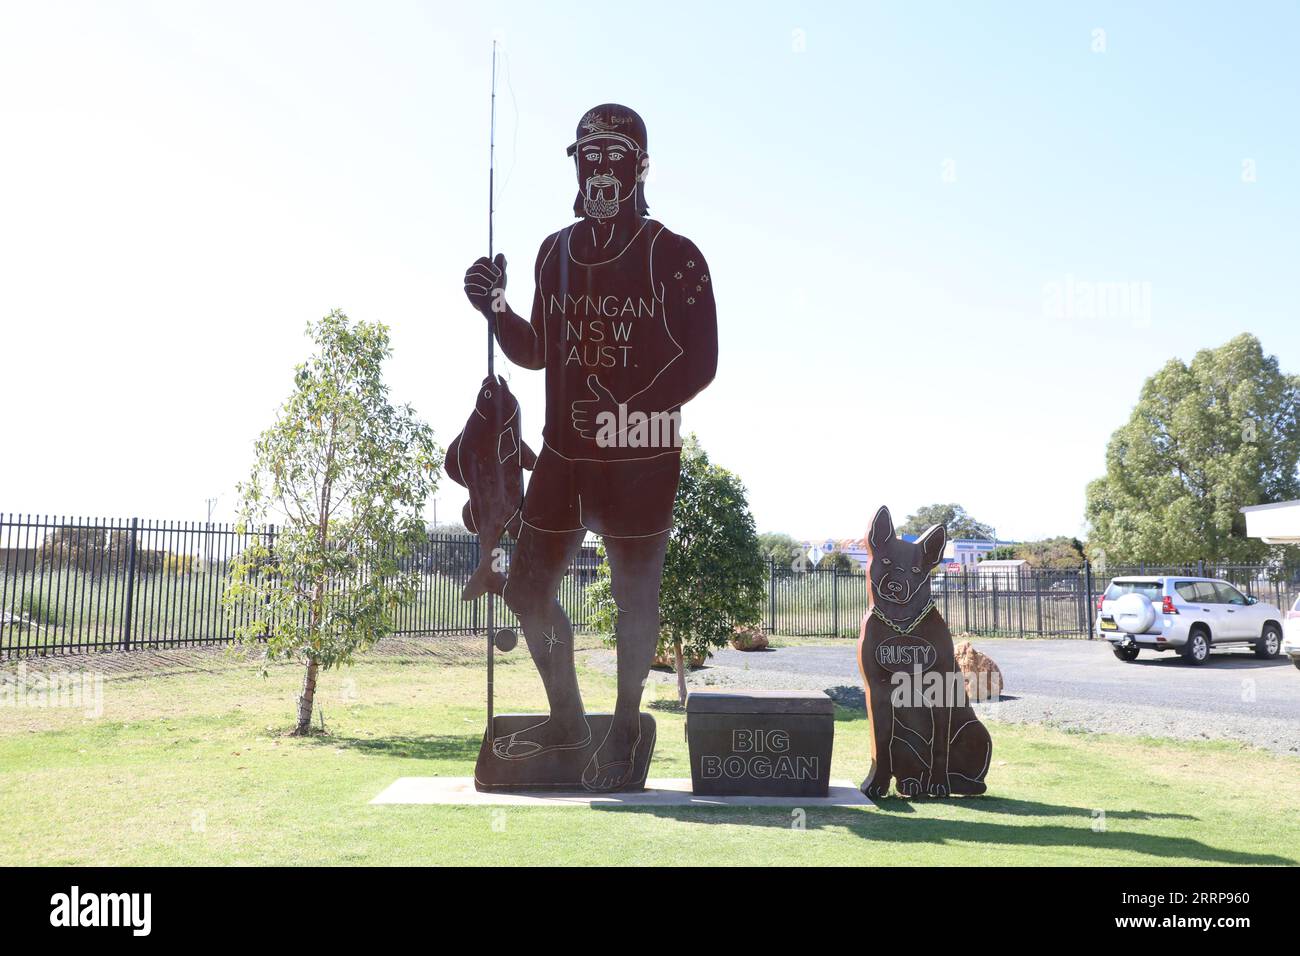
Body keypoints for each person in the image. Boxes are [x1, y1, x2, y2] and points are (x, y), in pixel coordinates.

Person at [463, 104, 718, 790]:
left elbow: (701, 362)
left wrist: (630, 408)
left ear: (640, 166)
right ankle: (570, 721)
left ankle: (627, 723)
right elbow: (539, 351)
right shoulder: (555, 251)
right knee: (524, 588)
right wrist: (497, 311)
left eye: (616, 154)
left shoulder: (674, 255)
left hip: (639, 452)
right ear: (576, 164)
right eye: (589, 154)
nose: (601, 168)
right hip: (564, 455)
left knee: (636, 598)